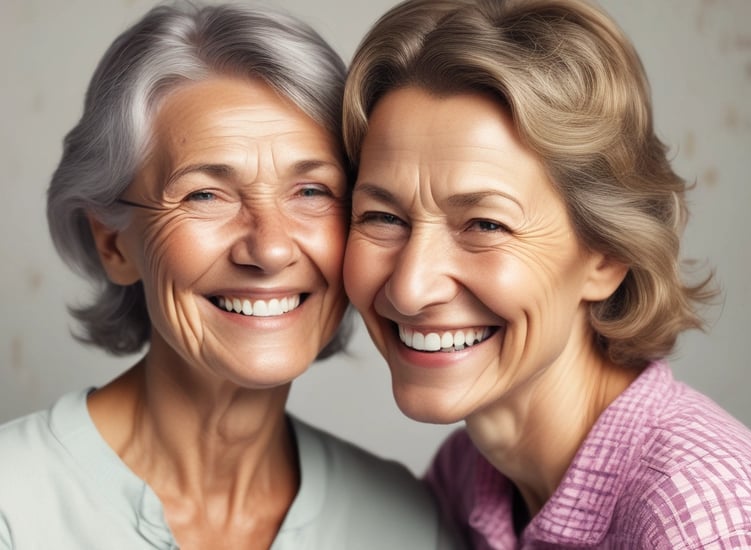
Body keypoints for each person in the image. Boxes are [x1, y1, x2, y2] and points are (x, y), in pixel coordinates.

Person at [0, 4, 463, 549]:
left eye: (312, 191)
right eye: (205, 194)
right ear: (113, 243)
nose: (268, 249)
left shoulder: (407, 525)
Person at [341, 0, 751, 547]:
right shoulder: (469, 475)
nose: (409, 286)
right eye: (382, 217)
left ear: (606, 255)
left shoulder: (701, 525)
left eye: (485, 225)